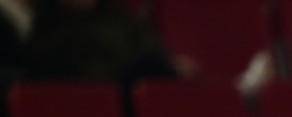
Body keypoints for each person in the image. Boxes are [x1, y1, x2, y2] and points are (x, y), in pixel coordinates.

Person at [23, 0, 188, 81]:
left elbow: (152, 49)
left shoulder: (120, 18)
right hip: (91, 99)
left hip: (137, 87)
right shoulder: (48, 28)